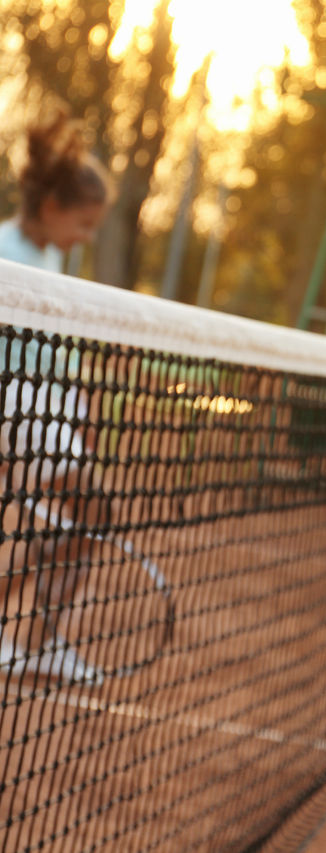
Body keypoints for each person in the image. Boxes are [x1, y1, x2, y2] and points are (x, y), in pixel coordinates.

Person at [1, 103, 114, 685]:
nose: (84, 238)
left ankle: (34, 642)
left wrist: (82, 402)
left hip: (48, 408)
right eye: (85, 224)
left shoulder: (45, 254)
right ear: (51, 207)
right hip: (19, 406)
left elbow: (54, 345)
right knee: (86, 515)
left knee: (63, 529)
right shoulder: (6, 255)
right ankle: (35, 643)